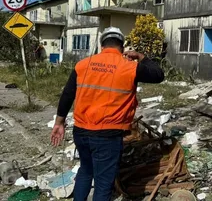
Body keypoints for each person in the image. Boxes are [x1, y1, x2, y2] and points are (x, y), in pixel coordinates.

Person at [50, 27, 164, 201]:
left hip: (81, 131)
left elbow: (67, 94)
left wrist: (59, 123)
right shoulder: (129, 67)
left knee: (86, 171)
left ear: (102, 44)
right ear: (122, 45)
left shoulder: (83, 65)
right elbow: (158, 75)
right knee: (104, 184)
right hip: (108, 135)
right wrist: (141, 57)